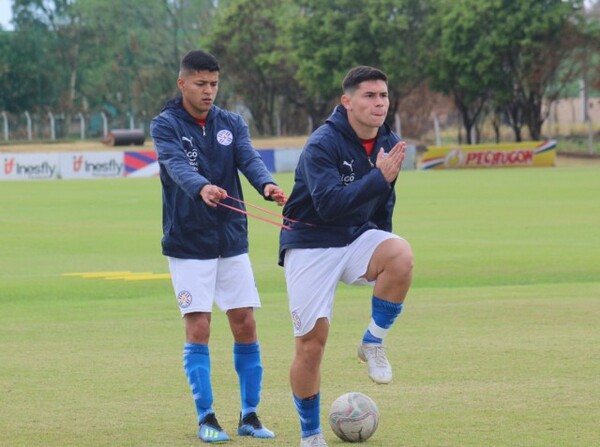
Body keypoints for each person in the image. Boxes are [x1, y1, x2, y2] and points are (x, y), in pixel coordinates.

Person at [150, 49, 286, 443]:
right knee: (200, 325)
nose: (209, 91)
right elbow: (175, 165)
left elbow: (249, 159)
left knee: (245, 322)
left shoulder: (231, 123)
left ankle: (250, 416)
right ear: (182, 83)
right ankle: (207, 417)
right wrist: (201, 187)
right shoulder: (165, 124)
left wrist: (267, 186)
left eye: (214, 84)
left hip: (231, 239)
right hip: (188, 242)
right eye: (201, 84)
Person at [278, 66, 414, 447]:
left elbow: (382, 202)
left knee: (400, 254)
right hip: (310, 243)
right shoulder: (322, 143)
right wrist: (378, 178)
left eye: (383, 96)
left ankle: (373, 341)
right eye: (369, 96)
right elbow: (327, 205)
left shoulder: (390, 141)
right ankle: (310, 435)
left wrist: (380, 244)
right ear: (347, 101)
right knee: (311, 345)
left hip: (354, 237)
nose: (379, 103)